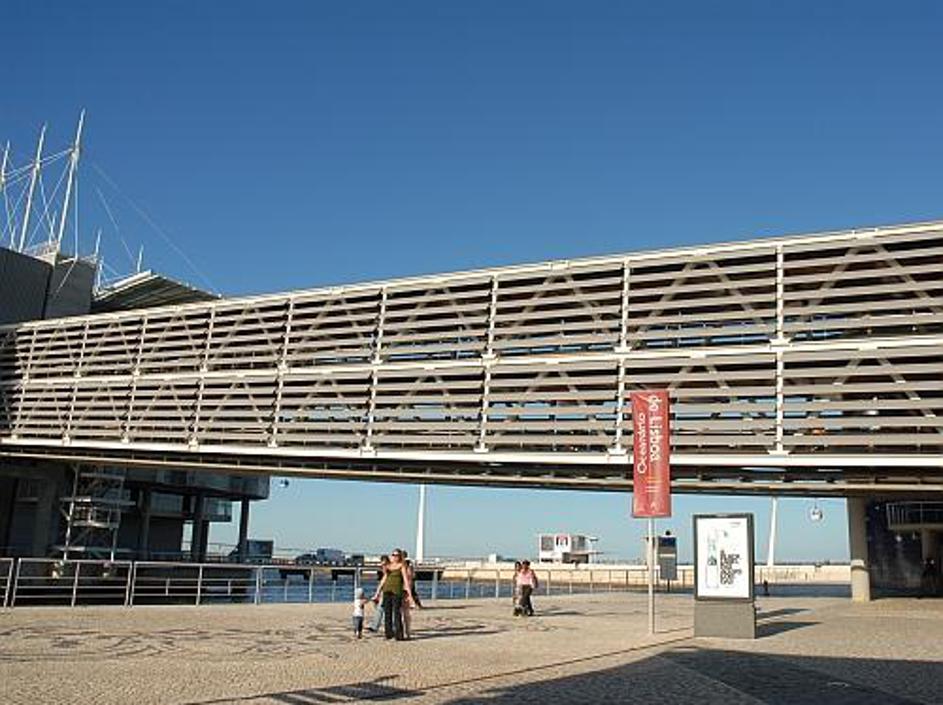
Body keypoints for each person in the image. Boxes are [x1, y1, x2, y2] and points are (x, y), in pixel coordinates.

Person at [372, 548, 412, 640]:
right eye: (393, 555)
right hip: (387, 590)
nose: (395, 557)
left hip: (397, 591)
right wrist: (377, 592)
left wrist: (409, 594)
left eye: (397, 555)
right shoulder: (388, 565)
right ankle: (389, 634)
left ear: (400, 556)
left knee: (397, 613)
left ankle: (399, 635)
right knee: (387, 613)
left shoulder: (402, 566)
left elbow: (406, 580)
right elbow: (384, 579)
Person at [368, 555, 390, 633]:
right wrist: (377, 594)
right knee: (380, 609)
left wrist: (377, 594)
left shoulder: (389, 571)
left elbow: (382, 583)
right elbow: (381, 583)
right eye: (382, 565)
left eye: (384, 564)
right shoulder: (384, 572)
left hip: (390, 592)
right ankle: (375, 626)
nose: (383, 567)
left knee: (384, 609)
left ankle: (375, 626)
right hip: (384, 592)